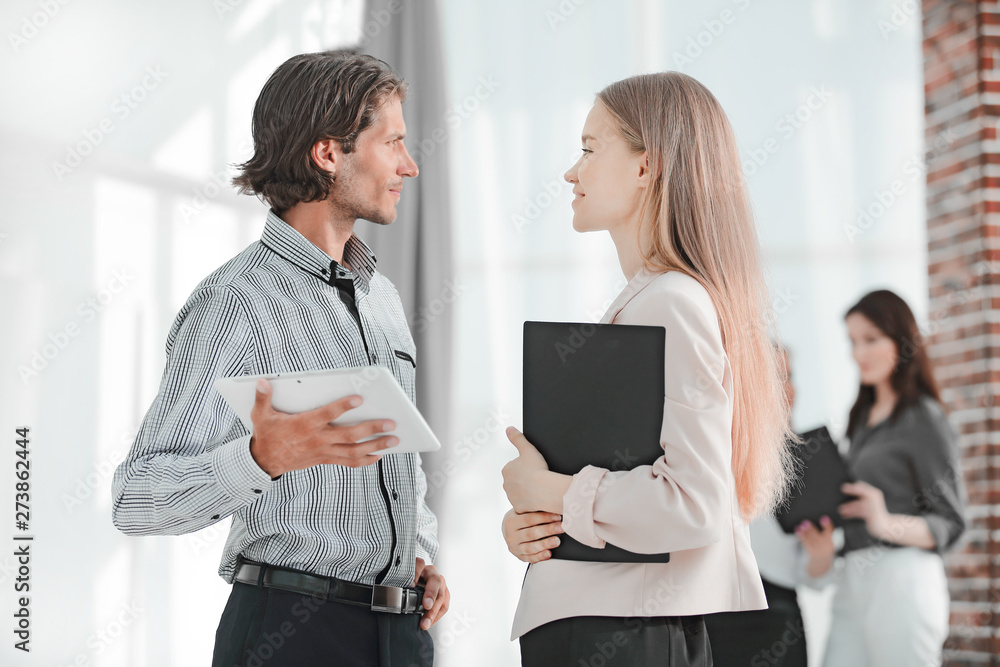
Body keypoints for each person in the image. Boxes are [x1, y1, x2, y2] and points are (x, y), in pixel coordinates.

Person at [111, 50, 448, 667]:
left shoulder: (382, 297)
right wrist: (261, 457)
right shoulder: (235, 301)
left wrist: (416, 556)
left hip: (401, 634)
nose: (410, 164)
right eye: (393, 142)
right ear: (329, 154)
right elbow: (136, 499)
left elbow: (395, 460)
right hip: (292, 635)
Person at [500, 71, 795, 666]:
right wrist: (537, 522)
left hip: (619, 632)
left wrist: (550, 490)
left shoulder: (670, 303)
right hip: (617, 625)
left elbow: (691, 503)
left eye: (589, 149)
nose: (571, 172)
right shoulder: (656, 300)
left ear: (646, 166)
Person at [796, 289, 966, 667]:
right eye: (853, 341)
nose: (858, 353)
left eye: (871, 339)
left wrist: (885, 522)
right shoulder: (861, 419)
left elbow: (952, 523)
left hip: (902, 578)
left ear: (901, 340)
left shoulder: (922, 418)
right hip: (853, 580)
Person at [703, 345, 831, 666]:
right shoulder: (711, 454)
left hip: (780, 621)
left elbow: (813, 576)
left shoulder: (809, 462)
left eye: (789, 376)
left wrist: (821, 556)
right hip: (716, 621)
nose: (787, 388)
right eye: (775, 377)